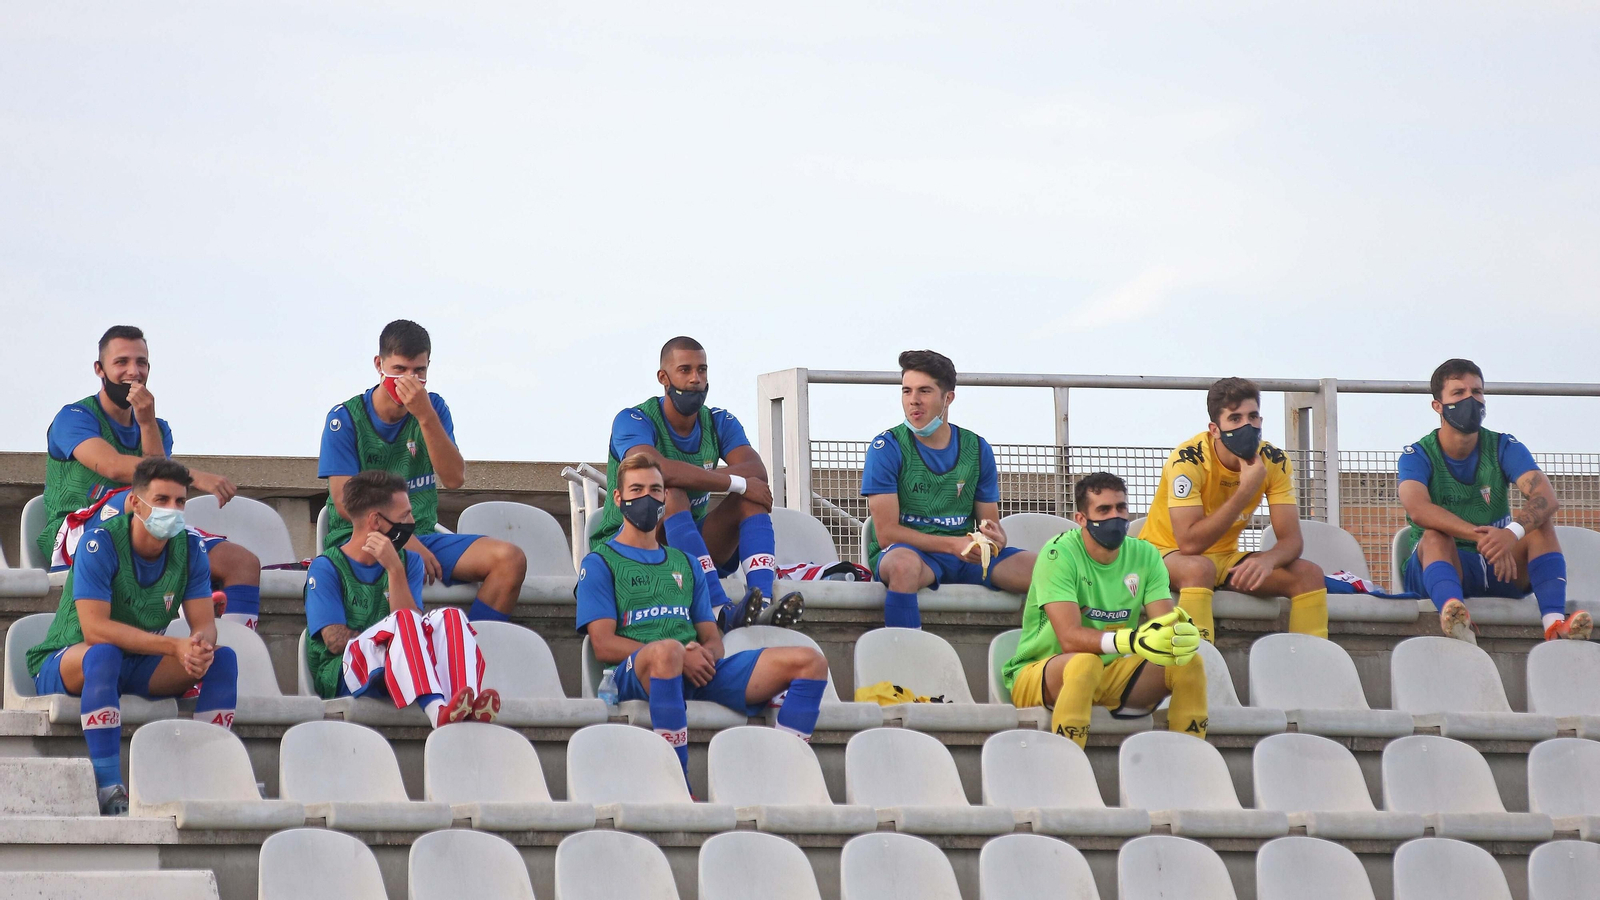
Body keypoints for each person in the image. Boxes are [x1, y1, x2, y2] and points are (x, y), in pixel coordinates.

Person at [579, 454, 829, 786]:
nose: (647, 497)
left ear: (665, 496)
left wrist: (705, 656)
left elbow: (712, 636)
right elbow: (603, 644)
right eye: (636, 489)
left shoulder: (685, 562)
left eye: (655, 490)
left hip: (695, 667)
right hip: (638, 671)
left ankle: (782, 781)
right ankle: (677, 787)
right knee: (667, 652)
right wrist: (679, 657)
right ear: (618, 498)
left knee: (809, 662)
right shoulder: (600, 562)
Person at [25, 459, 239, 816]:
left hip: (136, 663)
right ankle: (110, 788)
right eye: (162, 500)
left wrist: (199, 645)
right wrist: (174, 645)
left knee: (222, 659)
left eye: (180, 502)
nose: (172, 510)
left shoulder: (191, 548)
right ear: (136, 504)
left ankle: (203, 777)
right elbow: (96, 630)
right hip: (68, 661)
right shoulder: (101, 542)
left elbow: (203, 623)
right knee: (104, 653)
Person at [40, 325, 262, 628]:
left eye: (141, 362)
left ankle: (235, 649)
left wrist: (146, 423)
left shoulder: (158, 426)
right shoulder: (74, 417)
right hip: (77, 533)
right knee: (141, 499)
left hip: (146, 527)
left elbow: (159, 482)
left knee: (242, 562)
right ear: (99, 369)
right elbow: (114, 467)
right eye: (121, 362)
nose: (133, 371)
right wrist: (192, 476)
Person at [318, 319, 527, 622]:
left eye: (419, 371)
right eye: (400, 370)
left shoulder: (434, 408)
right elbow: (344, 503)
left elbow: (454, 478)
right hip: (362, 539)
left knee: (510, 560)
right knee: (403, 562)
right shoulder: (344, 419)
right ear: (379, 364)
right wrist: (405, 541)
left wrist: (425, 415)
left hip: (422, 534)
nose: (410, 380)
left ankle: (469, 655)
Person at [591, 335, 801, 631]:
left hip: (691, 544)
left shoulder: (718, 421)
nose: (696, 379)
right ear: (663, 377)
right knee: (671, 493)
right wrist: (735, 482)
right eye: (685, 370)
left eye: (702, 370)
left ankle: (763, 604)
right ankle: (718, 609)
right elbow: (657, 470)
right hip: (629, 544)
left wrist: (739, 485)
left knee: (751, 496)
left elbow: (756, 471)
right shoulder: (633, 419)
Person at [1003, 473, 1206, 746]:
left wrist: (1178, 636)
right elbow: (1069, 638)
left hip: (1112, 673)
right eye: (1104, 510)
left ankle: (1191, 767)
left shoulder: (1145, 554)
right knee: (1084, 662)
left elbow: (1164, 623)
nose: (1115, 517)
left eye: (1121, 508)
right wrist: (1131, 640)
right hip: (1041, 672)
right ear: (1081, 519)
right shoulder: (1058, 554)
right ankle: (1068, 770)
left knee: (1187, 663)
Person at [1399, 359, 1588, 642]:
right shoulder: (1417, 455)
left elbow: (1546, 497)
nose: (1470, 399)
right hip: (1441, 566)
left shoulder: (1502, 446)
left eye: (1477, 392)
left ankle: (1554, 624)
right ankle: (1455, 617)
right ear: (1437, 405)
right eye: (1458, 393)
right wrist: (1484, 538)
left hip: (1500, 564)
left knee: (1540, 524)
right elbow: (1419, 510)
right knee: (1435, 535)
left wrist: (1510, 535)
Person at [303, 470, 500, 725]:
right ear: (375, 520)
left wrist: (395, 569)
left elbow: (413, 628)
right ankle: (437, 712)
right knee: (403, 622)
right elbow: (334, 640)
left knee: (450, 616)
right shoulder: (326, 567)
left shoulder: (409, 561)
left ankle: (465, 703)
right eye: (404, 515)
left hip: (395, 664)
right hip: (344, 672)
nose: (412, 522)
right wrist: (387, 638)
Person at [1141, 377, 1328, 642]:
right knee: (1199, 568)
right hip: (1164, 554)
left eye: (1253, 417)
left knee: (1308, 575)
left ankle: (1312, 669)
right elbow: (1189, 543)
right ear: (1215, 429)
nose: (1247, 426)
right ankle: (1198, 668)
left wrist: (1267, 560)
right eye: (1235, 419)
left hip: (1223, 559)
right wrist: (1245, 491)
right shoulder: (1187, 459)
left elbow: (1291, 540)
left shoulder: (1274, 460)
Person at [861, 350, 1035, 628]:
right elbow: (886, 534)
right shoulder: (887, 447)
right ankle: (904, 659)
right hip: (912, 553)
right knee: (903, 567)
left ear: (948, 398)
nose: (913, 400)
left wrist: (995, 539)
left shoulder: (977, 448)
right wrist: (953, 545)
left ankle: (1061, 656)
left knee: (1051, 571)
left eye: (924, 391)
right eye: (906, 391)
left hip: (965, 554)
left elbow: (989, 523)